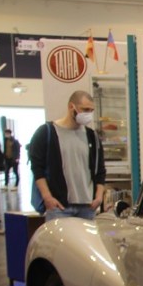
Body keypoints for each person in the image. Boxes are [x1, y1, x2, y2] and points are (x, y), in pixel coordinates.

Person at [29, 90, 107, 221]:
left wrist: (99, 197)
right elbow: (37, 168)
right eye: (85, 109)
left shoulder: (92, 136)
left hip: (87, 207)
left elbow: (100, 170)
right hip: (59, 207)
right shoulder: (46, 132)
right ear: (71, 107)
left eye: (91, 110)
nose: (88, 114)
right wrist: (47, 197)